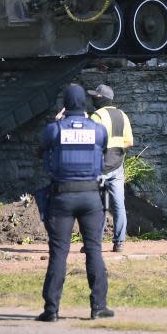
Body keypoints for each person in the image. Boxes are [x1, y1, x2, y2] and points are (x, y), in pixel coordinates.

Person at [36, 84, 114, 321]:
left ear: (65, 104)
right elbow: (103, 154)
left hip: (62, 196)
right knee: (94, 250)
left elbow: (41, 151)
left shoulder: (55, 129)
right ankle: (98, 307)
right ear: (84, 103)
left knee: (59, 253)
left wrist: (57, 120)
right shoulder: (99, 130)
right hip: (91, 197)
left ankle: (51, 310)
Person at [89, 84, 134, 253]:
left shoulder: (97, 116)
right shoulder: (122, 115)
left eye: (95, 96)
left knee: (98, 206)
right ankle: (119, 243)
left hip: (100, 166)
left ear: (101, 99)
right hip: (117, 165)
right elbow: (129, 142)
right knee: (119, 205)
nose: (93, 98)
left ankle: (94, 243)